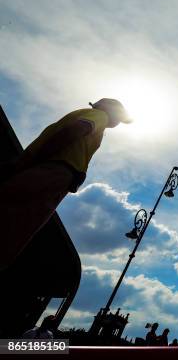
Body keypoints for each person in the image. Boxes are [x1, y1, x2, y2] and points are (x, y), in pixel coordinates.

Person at [0, 99, 132, 269]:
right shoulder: (99, 116)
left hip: (47, 170)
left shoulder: (91, 115)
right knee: (15, 224)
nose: (119, 122)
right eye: (120, 117)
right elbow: (75, 130)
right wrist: (37, 161)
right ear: (109, 109)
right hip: (53, 171)